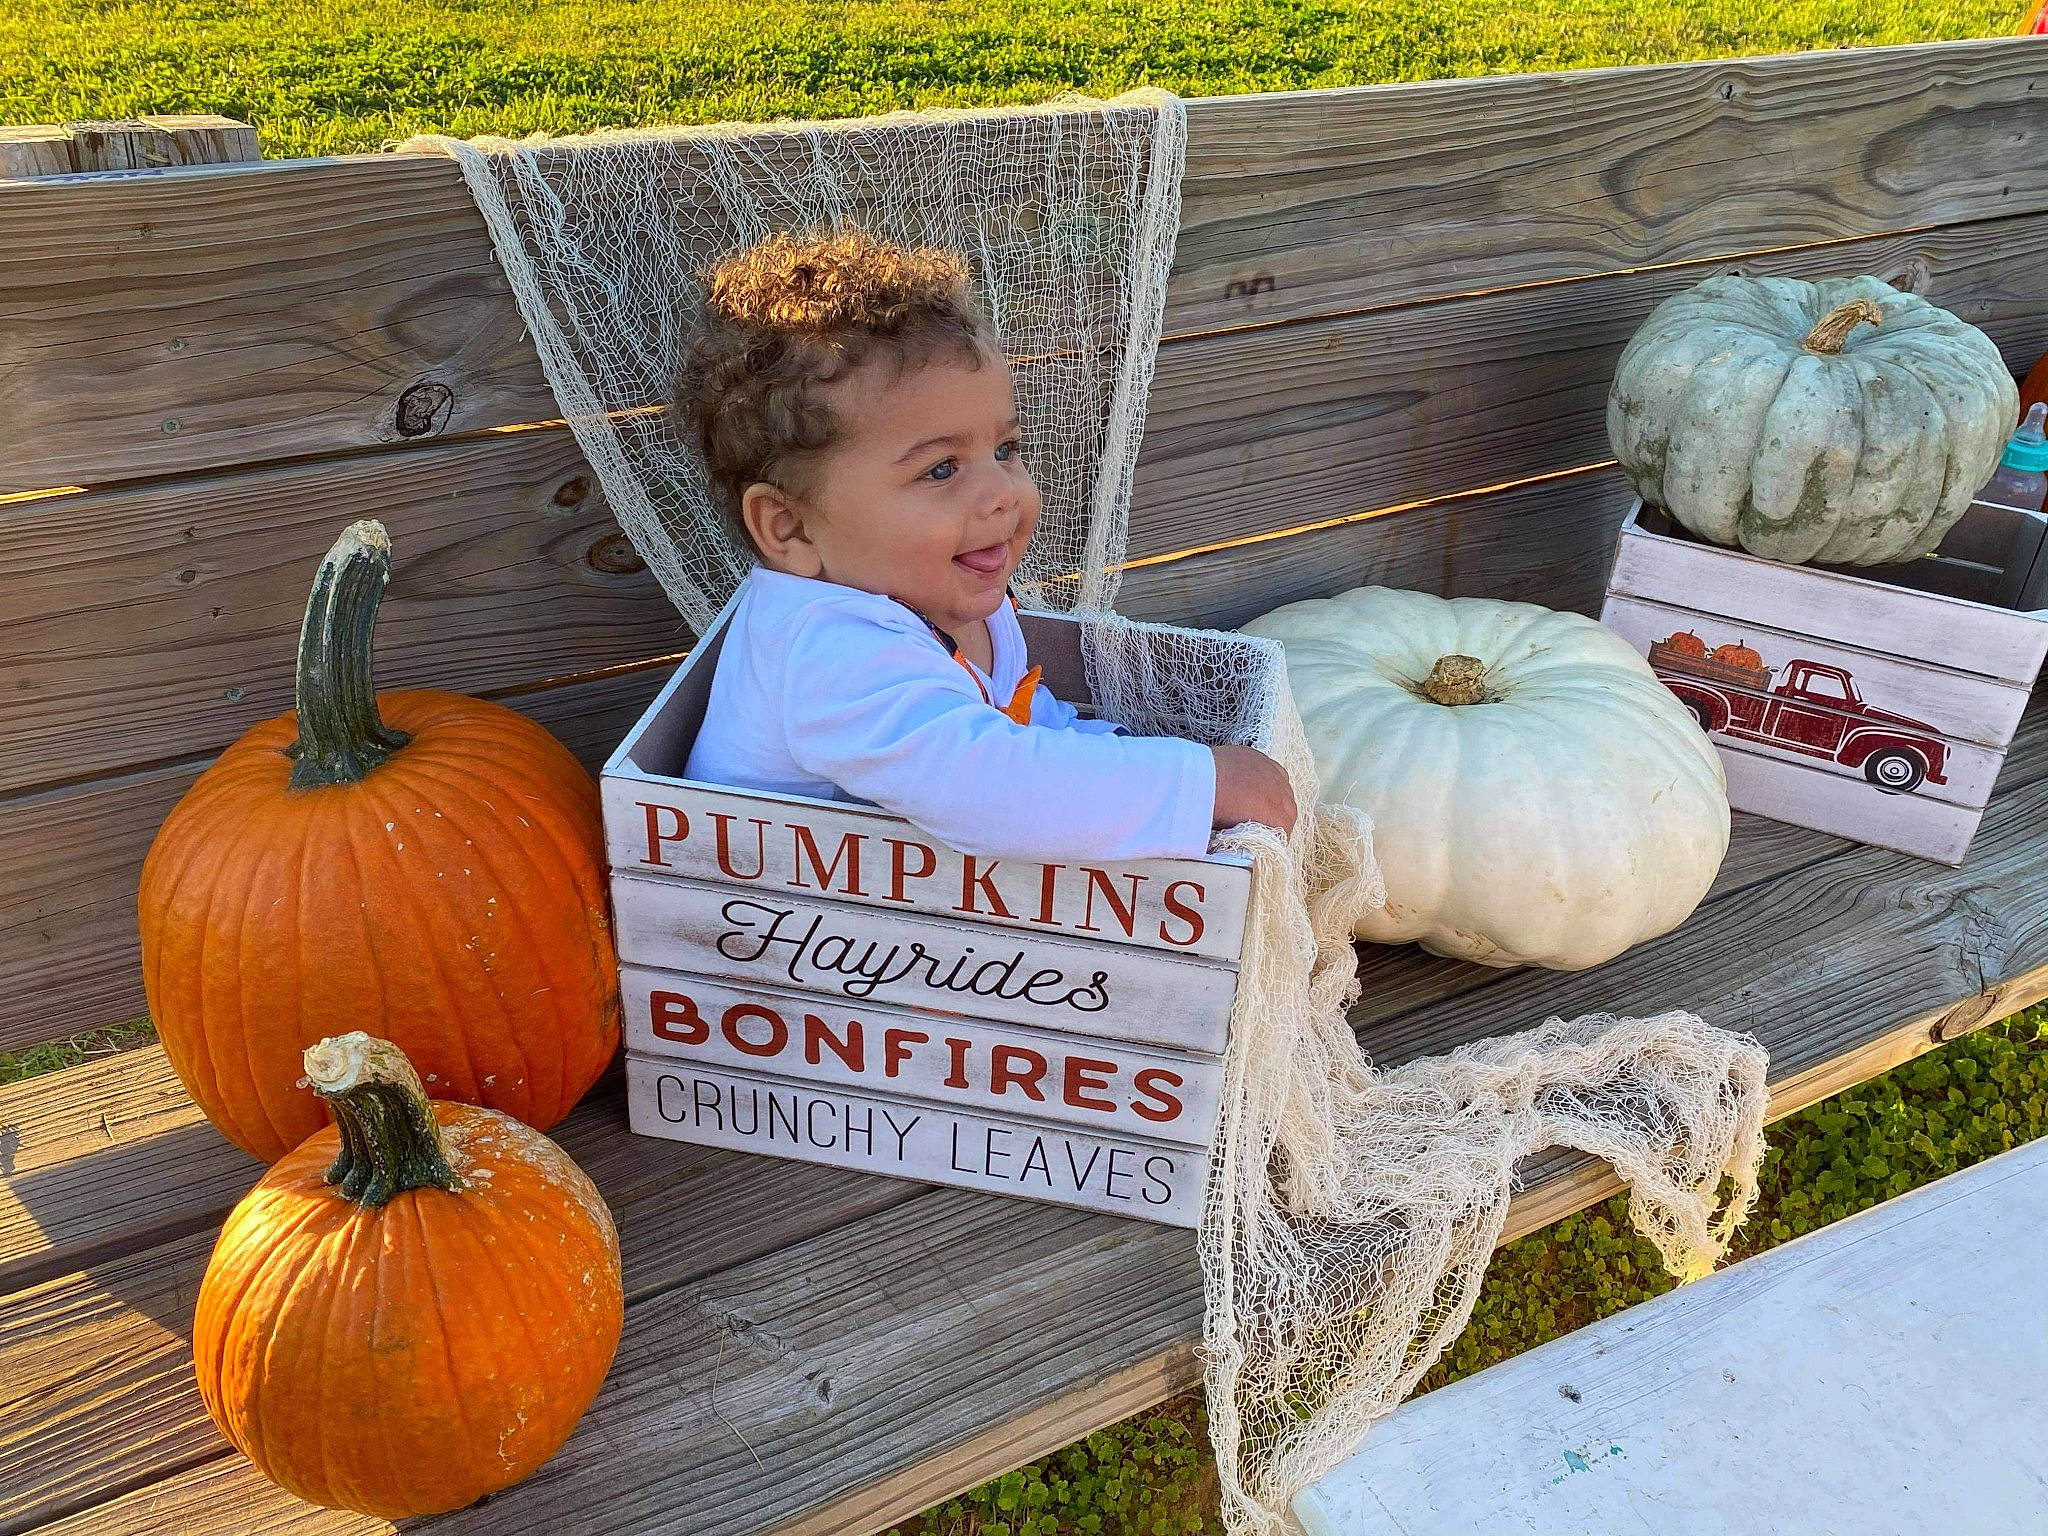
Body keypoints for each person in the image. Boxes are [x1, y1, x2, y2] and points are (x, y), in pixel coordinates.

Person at [674, 228, 1295, 862]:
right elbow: (1000, 790)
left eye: (1005, 450)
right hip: (785, 925)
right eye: (940, 469)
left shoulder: (937, 598)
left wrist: (1117, 752)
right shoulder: (831, 656)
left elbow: (1019, 721)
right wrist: (1196, 783)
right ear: (792, 529)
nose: (1002, 491)